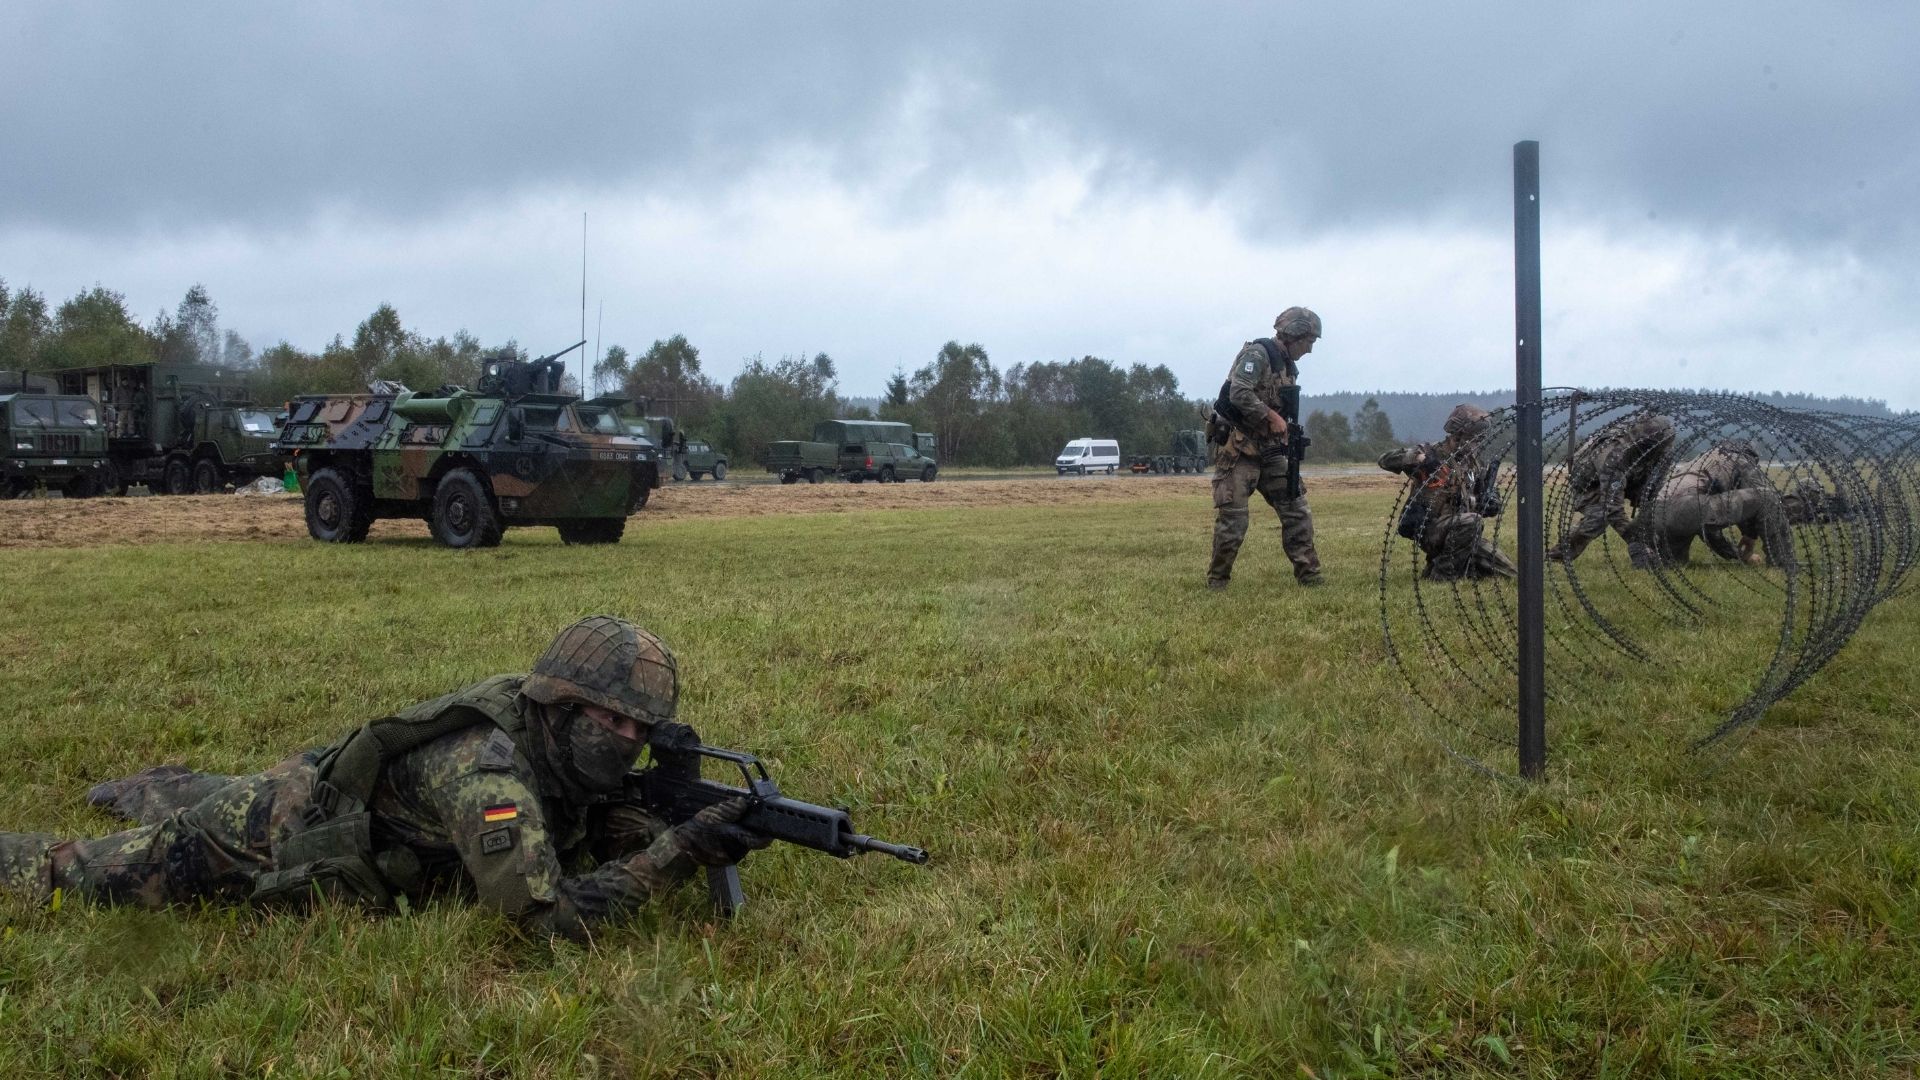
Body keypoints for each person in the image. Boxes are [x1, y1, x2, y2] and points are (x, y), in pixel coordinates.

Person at [0, 617, 769, 940]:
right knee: (89, 872)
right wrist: (674, 855)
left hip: (332, 785)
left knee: (220, 788)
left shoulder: (549, 735)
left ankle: (164, 783)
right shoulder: (489, 773)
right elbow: (537, 922)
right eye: (616, 723)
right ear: (562, 706)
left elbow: (588, 817)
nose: (629, 743)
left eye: (642, 730)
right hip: (287, 831)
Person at [1205, 306, 1324, 589]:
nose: (1309, 350)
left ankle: (1310, 576)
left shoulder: (1286, 367)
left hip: (1270, 451)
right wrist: (1271, 417)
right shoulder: (1257, 355)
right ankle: (1217, 581)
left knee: (1296, 509)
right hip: (1239, 449)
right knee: (1234, 519)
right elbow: (1238, 391)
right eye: (1309, 342)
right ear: (1295, 334)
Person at [1377, 404, 1518, 580]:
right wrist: (1422, 459)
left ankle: (1455, 566)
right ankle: (1441, 576)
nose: (1478, 444)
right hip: (1431, 529)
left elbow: (1488, 493)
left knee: (1510, 573)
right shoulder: (1432, 453)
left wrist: (1491, 502)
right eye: (1474, 439)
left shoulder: (1475, 463)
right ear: (1459, 436)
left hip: (1464, 533)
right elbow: (1385, 460)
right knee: (1472, 522)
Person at [1546, 411, 1675, 567]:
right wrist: (1635, 542)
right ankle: (1557, 556)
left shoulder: (1663, 448)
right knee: (1598, 517)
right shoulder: (1613, 453)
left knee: (1657, 509)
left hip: (1633, 477)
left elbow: (1654, 493)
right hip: (1592, 484)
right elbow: (1612, 508)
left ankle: (1659, 553)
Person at [1634, 440, 1773, 565]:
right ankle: (1779, 561)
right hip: (1685, 507)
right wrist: (1750, 537)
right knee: (1767, 496)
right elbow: (1758, 497)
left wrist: (1735, 554)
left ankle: (1648, 550)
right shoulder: (1742, 460)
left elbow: (1706, 530)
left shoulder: (1700, 460)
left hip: (1655, 511)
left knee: (1675, 562)